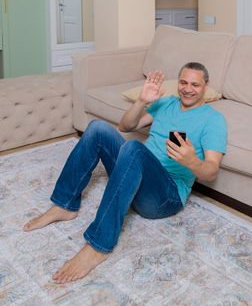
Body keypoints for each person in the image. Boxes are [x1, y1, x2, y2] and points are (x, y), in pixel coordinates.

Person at [23, 62, 227, 283]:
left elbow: (211, 172)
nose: (188, 89)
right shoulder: (167, 103)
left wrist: (192, 161)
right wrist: (142, 101)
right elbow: (125, 126)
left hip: (165, 196)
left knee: (133, 149)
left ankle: (99, 245)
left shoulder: (213, 120)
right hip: (135, 174)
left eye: (195, 84)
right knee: (97, 128)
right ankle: (64, 205)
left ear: (206, 86)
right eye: (183, 82)